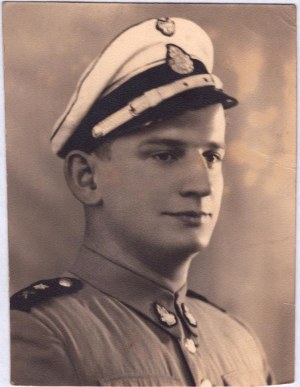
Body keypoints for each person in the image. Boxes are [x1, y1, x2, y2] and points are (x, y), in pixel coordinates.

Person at [10, 17, 273, 386]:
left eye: (212, 157)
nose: (202, 185)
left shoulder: (240, 341)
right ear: (87, 178)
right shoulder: (38, 334)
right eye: (165, 155)